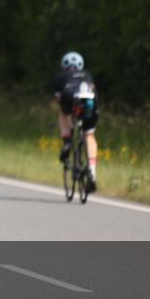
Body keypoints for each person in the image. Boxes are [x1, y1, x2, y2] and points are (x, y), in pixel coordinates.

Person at [53, 51, 99, 193]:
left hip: (70, 99)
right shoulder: (87, 74)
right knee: (89, 135)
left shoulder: (60, 76)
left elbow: (59, 98)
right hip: (91, 101)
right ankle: (92, 171)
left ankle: (67, 140)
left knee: (63, 113)